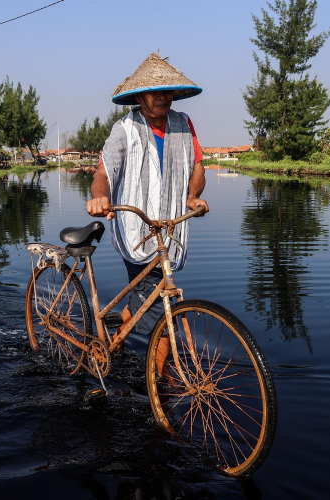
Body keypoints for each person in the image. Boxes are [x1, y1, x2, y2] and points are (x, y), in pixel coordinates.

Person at [86, 53, 209, 355]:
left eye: (168, 91)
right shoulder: (124, 129)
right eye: (156, 92)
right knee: (160, 313)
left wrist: (193, 196)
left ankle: (110, 345)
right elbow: (104, 173)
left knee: (148, 296)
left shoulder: (183, 123)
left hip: (170, 229)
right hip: (137, 229)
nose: (163, 98)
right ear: (140, 96)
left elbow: (197, 167)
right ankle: (162, 390)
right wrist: (100, 197)